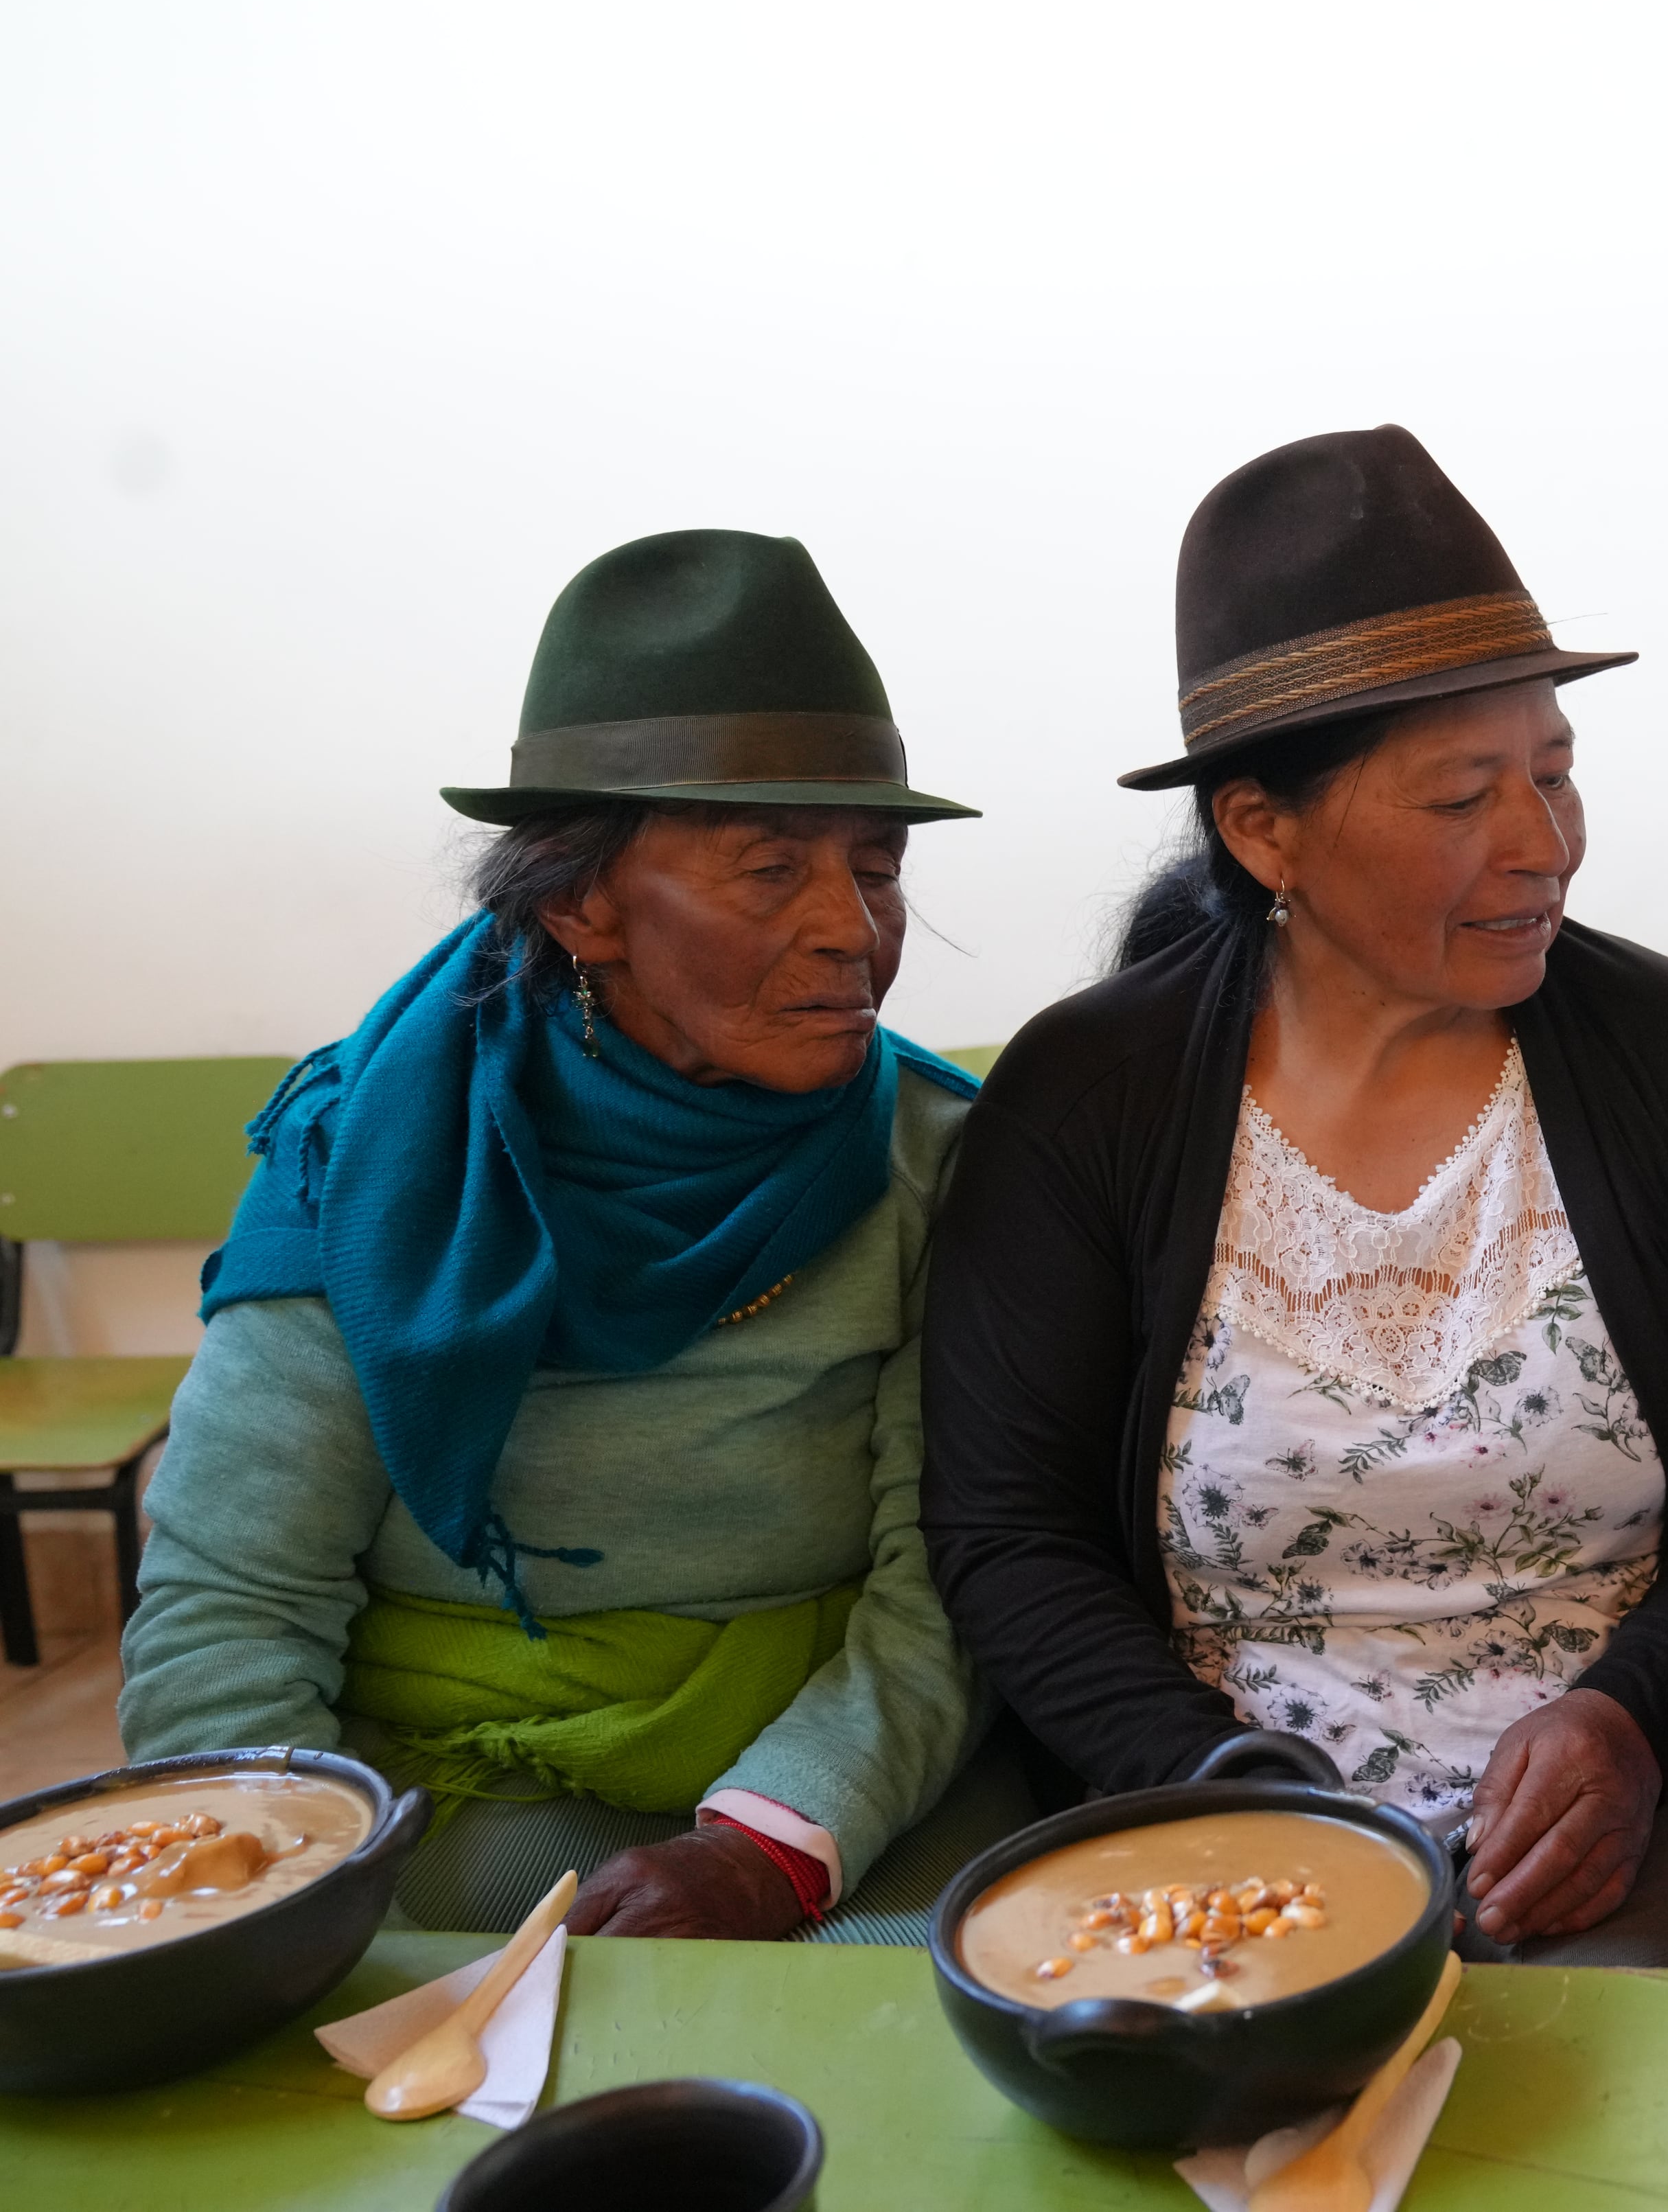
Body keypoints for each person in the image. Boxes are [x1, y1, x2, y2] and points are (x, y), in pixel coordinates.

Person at [920, 426, 1668, 1965]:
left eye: (1553, 773)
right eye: (1458, 798)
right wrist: (1213, 1777)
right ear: (1260, 826)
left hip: (1616, 1764)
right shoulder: (1090, 1099)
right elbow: (1006, 1531)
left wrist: (1629, 1712)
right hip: (1220, 1775)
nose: (1539, 846)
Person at [119, 529, 1012, 1942]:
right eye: (772, 868)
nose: (855, 929)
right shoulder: (359, 1155)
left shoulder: (933, 1159)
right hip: (459, 1771)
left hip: (837, 1756)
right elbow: (234, 1590)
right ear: (579, 901)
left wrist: (770, 1840)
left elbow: (954, 1569)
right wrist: (260, 1887)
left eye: (878, 867)